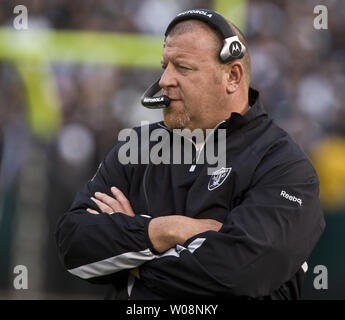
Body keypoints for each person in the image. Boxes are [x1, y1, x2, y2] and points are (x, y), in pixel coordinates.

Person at [55, 9, 325, 299]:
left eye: (182, 68)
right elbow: (74, 243)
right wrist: (165, 230)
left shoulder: (284, 165)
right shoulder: (137, 147)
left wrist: (131, 261)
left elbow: (236, 274)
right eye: (165, 66)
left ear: (232, 76)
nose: (165, 80)